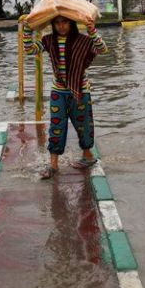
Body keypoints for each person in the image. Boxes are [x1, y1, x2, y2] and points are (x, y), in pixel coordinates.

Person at [21, 14, 109, 180]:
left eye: (65, 22)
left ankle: (87, 155)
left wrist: (92, 32)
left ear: (71, 23)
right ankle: (53, 165)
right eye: (57, 23)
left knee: (83, 124)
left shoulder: (83, 40)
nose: (61, 26)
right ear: (53, 25)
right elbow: (30, 49)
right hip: (58, 91)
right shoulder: (48, 41)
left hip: (80, 89)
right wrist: (27, 29)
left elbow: (102, 49)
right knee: (56, 126)